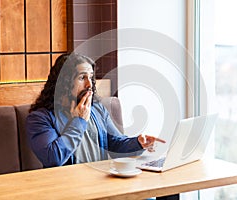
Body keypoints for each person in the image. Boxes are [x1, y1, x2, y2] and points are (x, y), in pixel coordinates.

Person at [26, 52, 165, 168]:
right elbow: (53, 158)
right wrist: (79, 122)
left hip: (101, 182)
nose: (89, 84)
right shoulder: (40, 118)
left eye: (91, 77)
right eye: (82, 78)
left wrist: (138, 143)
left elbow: (115, 144)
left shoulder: (97, 110)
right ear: (64, 82)